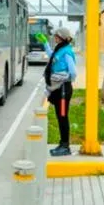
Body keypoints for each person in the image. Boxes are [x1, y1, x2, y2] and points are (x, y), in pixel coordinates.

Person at [36, 27, 77, 156]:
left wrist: (64, 77)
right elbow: (51, 55)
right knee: (60, 117)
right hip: (59, 89)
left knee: (63, 117)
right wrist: (45, 43)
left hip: (63, 90)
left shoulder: (67, 52)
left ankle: (65, 146)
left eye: (56, 36)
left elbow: (73, 72)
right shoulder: (59, 49)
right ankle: (62, 143)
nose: (54, 38)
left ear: (61, 37)